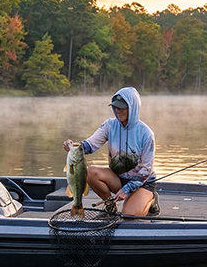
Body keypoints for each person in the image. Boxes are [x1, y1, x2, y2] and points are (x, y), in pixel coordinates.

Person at [63, 87, 158, 217]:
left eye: (122, 107)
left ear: (132, 107)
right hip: (118, 178)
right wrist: (73, 146)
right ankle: (110, 205)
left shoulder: (146, 134)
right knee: (90, 172)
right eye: (115, 107)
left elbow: (146, 170)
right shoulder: (109, 125)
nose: (118, 111)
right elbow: (90, 145)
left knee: (129, 215)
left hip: (142, 183)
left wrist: (127, 189)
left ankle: (151, 201)